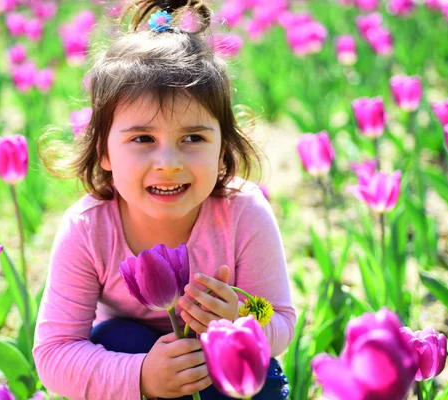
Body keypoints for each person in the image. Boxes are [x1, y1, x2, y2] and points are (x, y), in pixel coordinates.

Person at [33, 0, 296, 399]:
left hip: (222, 371)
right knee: (115, 334)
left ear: (223, 147)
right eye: (143, 139)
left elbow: (277, 317)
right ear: (103, 150)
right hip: (135, 367)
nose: (169, 163)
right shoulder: (89, 228)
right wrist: (142, 376)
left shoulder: (242, 212)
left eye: (193, 138)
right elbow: (55, 353)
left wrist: (243, 315)